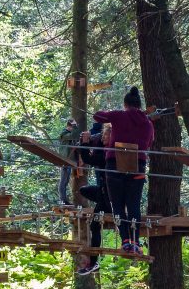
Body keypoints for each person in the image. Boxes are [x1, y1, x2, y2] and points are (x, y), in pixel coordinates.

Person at [93, 87, 154, 255]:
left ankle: (125, 240)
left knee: (117, 205)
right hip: (137, 166)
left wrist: (113, 114)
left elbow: (97, 116)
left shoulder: (119, 115)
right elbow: (149, 143)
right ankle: (135, 241)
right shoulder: (148, 123)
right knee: (134, 205)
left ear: (125, 104)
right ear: (139, 105)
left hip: (114, 165)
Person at [75, 122, 110, 276]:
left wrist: (85, 143)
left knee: (95, 226)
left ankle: (94, 262)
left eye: (105, 135)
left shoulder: (108, 154)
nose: (103, 138)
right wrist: (85, 143)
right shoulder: (105, 150)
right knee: (84, 190)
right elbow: (89, 157)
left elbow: (89, 159)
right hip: (104, 193)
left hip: (108, 197)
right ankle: (93, 262)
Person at [58, 118, 80, 206]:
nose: (74, 128)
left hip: (69, 160)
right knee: (63, 181)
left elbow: (75, 136)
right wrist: (75, 126)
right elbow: (74, 135)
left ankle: (64, 200)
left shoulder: (69, 135)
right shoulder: (64, 134)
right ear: (69, 126)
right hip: (65, 159)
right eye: (73, 126)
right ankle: (63, 200)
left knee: (66, 180)